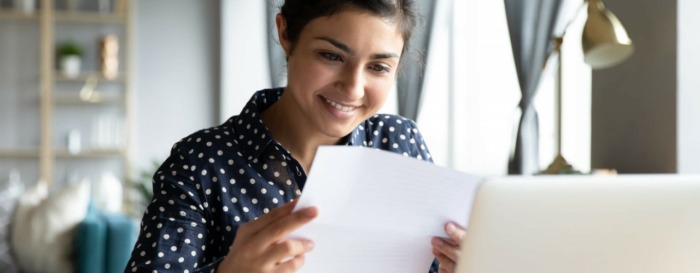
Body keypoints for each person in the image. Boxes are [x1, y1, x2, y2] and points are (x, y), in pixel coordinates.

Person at [124, 0, 466, 272]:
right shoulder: (199, 162)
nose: (353, 88)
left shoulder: (400, 143)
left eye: (378, 67)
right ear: (286, 34)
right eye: (331, 56)